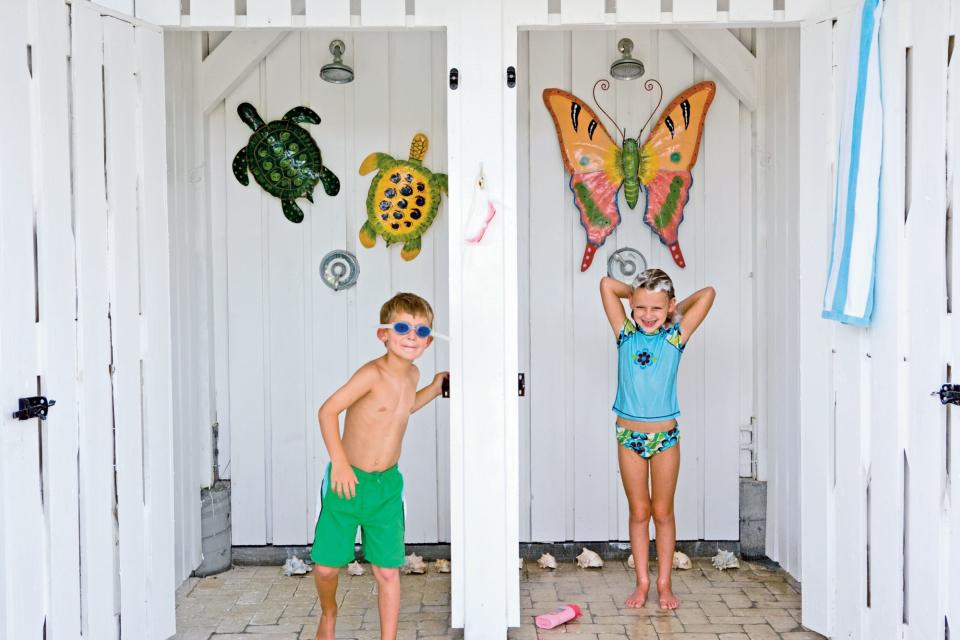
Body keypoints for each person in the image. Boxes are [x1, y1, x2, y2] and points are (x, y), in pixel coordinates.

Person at [310, 292, 448, 640]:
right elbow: (328, 410)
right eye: (402, 327)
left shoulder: (413, 374)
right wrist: (339, 463)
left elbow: (400, 409)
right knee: (327, 567)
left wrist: (433, 389)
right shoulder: (371, 374)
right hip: (347, 481)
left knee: (388, 570)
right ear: (383, 334)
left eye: (421, 330)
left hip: (386, 488)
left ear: (429, 341)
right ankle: (329, 613)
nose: (411, 336)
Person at [599, 269, 715, 610]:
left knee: (662, 512)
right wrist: (637, 294)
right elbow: (607, 285)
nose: (648, 316)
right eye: (641, 308)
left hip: (665, 437)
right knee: (639, 511)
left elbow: (708, 292)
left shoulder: (675, 336)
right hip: (628, 436)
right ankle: (642, 582)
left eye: (657, 309)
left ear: (669, 308)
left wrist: (674, 310)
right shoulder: (625, 335)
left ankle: (664, 584)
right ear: (632, 306)